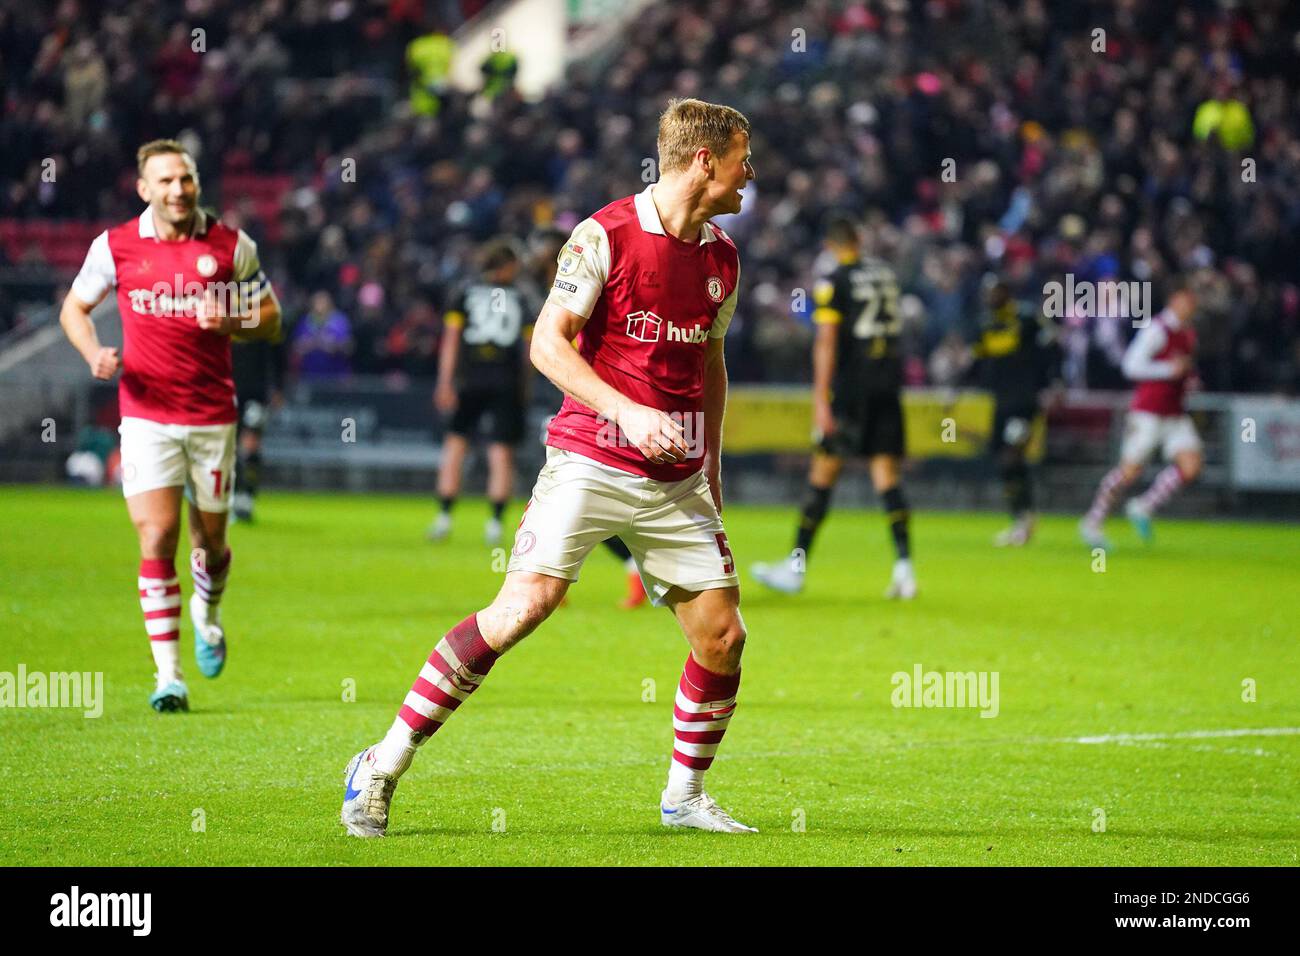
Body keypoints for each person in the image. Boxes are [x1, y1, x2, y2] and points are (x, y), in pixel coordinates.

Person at [342, 98, 756, 836]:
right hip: (592, 457)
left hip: (678, 480)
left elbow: (711, 363)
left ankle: (684, 798)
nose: (750, 173)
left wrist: (712, 463)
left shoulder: (723, 257)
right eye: (742, 158)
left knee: (723, 638)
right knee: (522, 609)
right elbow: (547, 345)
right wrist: (626, 411)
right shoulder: (604, 235)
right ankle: (381, 762)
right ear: (704, 161)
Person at [58, 139, 281, 712]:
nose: (177, 190)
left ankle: (208, 614)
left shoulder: (232, 245)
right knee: (156, 536)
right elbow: (73, 310)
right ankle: (169, 677)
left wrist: (230, 317)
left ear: (196, 182)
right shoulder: (117, 246)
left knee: (210, 540)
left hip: (211, 418)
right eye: (165, 181)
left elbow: (272, 318)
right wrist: (92, 355)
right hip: (146, 415)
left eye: (185, 179)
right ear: (144, 189)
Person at [751, 216, 917, 599]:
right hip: (888, 385)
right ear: (859, 238)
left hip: (851, 390)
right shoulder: (886, 276)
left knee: (822, 474)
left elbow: (826, 341)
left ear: (830, 245)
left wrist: (820, 400)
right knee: (886, 473)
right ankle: (904, 568)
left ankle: (795, 569)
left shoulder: (835, 280)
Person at [428, 239, 537, 546]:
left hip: (469, 378)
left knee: (455, 445)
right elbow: (529, 348)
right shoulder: (522, 296)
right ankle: (494, 524)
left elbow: (450, 342)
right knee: (500, 452)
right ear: (506, 265)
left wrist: (445, 382)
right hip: (506, 380)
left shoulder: (464, 292)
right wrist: (525, 386)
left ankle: (444, 517)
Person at [1080, 287, 1201, 548]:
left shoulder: (1188, 334)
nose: (1190, 307)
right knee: (1129, 472)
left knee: (1191, 466)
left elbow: (1180, 369)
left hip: (1174, 412)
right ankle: (1093, 521)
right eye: (1186, 300)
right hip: (1148, 412)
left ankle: (1143, 506)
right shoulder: (1156, 329)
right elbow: (1131, 366)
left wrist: (1189, 379)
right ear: (1174, 299)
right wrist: (1168, 370)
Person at [970, 276, 1061, 547]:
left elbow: (1052, 346)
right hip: (1001, 403)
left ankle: (1025, 519)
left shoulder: (1027, 318)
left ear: (1006, 292)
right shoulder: (985, 324)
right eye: (987, 293)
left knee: (1012, 456)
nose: (990, 298)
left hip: (1024, 402)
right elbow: (979, 362)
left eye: (995, 292)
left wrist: (1055, 382)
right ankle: (1021, 518)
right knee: (1004, 461)